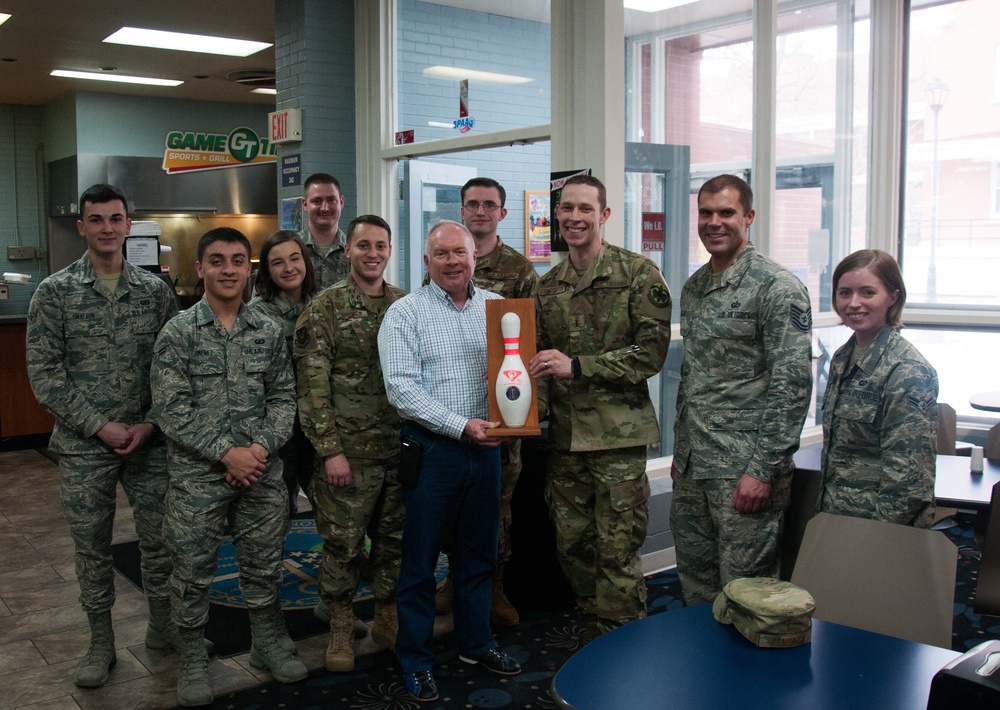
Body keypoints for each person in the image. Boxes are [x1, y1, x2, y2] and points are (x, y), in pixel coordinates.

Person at [26, 183, 184, 689]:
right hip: (83, 445)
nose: (108, 229)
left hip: (146, 441)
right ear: (82, 227)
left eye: (116, 219)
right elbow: (44, 374)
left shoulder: (155, 291)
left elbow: (173, 369)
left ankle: (162, 626)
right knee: (92, 548)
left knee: (160, 541)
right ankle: (101, 642)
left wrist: (151, 423)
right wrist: (99, 425)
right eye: (97, 220)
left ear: (128, 224)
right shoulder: (55, 292)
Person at [151, 227, 307, 707]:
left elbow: (284, 397)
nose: (228, 270)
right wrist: (227, 453)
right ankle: (194, 658)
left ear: (248, 269)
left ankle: (266, 644)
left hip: (261, 473)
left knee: (263, 567)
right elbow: (171, 409)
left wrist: (258, 448)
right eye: (217, 261)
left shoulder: (267, 328)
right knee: (193, 572)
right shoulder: (177, 332)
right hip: (199, 477)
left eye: (238, 261)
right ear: (200, 269)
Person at [378, 221, 522, 702]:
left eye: (459, 252)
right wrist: (460, 425)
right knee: (419, 565)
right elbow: (401, 389)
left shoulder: (500, 311)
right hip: (432, 452)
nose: (452, 261)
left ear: (474, 256)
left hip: (486, 453)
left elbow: (512, 372)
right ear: (426, 261)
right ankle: (416, 660)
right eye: (441, 254)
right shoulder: (404, 314)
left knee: (478, 558)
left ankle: (475, 644)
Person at [527, 174, 672, 638]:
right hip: (566, 441)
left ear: (604, 214)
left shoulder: (638, 274)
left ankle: (625, 638)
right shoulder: (548, 287)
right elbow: (541, 363)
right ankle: (595, 625)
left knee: (618, 547)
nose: (574, 218)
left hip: (616, 438)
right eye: (567, 209)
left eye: (585, 209)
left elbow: (650, 355)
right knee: (573, 544)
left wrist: (581, 366)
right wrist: (523, 416)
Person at [670, 174, 813, 606]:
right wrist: (682, 455)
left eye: (726, 212)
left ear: (748, 217)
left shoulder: (776, 286)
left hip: (744, 469)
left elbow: (791, 385)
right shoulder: (695, 287)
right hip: (697, 465)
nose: (715, 222)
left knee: (747, 593)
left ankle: (752, 674)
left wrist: (763, 469)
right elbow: (694, 379)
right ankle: (705, 670)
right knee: (696, 583)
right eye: (706, 213)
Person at [294, 215, 407, 672]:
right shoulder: (325, 308)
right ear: (348, 251)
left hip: (399, 450)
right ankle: (340, 622)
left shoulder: (405, 305)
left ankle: (386, 613)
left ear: (389, 250)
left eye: (380, 245)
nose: (372, 253)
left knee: (393, 541)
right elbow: (312, 385)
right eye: (363, 245)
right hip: (348, 456)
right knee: (342, 545)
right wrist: (330, 451)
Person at [435, 177, 539, 628]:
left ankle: (493, 583)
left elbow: (527, 343)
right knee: (454, 502)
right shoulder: (446, 259)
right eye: (472, 204)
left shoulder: (520, 271)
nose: (480, 212)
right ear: (462, 211)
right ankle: (454, 579)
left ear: (503, 213)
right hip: (456, 411)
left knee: (499, 504)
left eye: (489, 205)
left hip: (504, 410)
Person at [818, 249, 938, 527]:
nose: (853, 303)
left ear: (892, 297)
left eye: (867, 293)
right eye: (845, 293)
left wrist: (876, 540)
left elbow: (908, 481)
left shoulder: (907, 370)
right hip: (836, 516)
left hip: (881, 529)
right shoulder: (842, 358)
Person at [249, 231, 319, 517]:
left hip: (318, 427)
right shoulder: (255, 315)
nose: (289, 268)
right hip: (278, 433)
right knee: (276, 514)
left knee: (334, 509)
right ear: (266, 270)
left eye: (294, 258)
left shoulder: (324, 305)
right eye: (277, 262)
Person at [301, 172, 351, 290]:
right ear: (305, 204)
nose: (325, 208)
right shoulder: (289, 249)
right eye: (317, 201)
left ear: (341, 202)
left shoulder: (355, 251)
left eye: (331, 200)